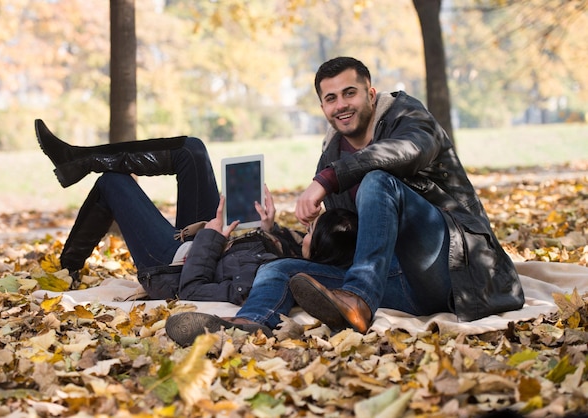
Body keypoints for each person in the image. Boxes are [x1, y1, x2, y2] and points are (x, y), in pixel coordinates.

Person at [165, 56, 524, 346]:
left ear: (371, 93)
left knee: (377, 182)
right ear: (322, 105)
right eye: (330, 98)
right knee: (277, 270)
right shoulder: (333, 151)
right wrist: (296, 235)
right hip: (392, 283)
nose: (341, 105)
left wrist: (326, 180)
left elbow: (409, 152)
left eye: (349, 93)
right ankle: (248, 326)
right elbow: (349, 237)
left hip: (450, 270)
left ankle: (358, 301)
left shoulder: (409, 118)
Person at [34, 119, 357, 313]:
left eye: (312, 231)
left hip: (173, 263)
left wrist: (213, 237)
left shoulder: (273, 278)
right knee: (192, 149)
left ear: (317, 254)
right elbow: (262, 247)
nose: (306, 227)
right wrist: (268, 229)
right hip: (207, 238)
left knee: (112, 183)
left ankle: (68, 266)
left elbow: (192, 289)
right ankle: (79, 157)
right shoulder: (295, 247)